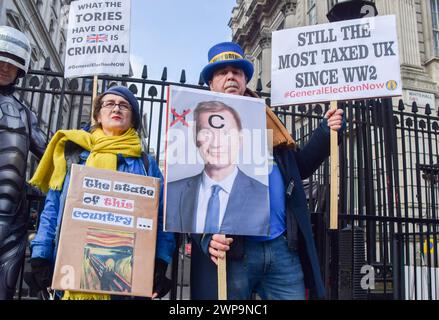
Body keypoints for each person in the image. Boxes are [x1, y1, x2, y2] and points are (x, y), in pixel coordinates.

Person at [190, 42, 345, 300]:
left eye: (237, 71)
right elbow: (187, 195)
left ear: (245, 80)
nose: (230, 76)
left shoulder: (269, 123)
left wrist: (326, 131)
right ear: (211, 83)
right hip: (234, 250)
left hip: (282, 247)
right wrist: (207, 239)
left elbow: (300, 167)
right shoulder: (195, 128)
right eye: (222, 72)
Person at [24, 86, 176, 300]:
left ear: (133, 119)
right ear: (98, 114)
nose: (117, 108)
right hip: (70, 272)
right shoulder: (73, 156)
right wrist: (40, 257)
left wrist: (159, 262)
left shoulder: (146, 163)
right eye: (109, 103)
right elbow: (52, 209)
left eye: (124, 105)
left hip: (127, 279)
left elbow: (162, 216)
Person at [166, 100, 269, 236]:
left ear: (240, 139)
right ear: (195, 138)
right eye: (207, 133)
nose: (216, 143)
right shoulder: (172, 192)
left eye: (226, 133)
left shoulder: (262, 195)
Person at [0, 26, 46, 300]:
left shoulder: (25, 115)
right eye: (1, 59)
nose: (5, 67)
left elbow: (52, 151)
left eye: (13, 63)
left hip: (11, 221)